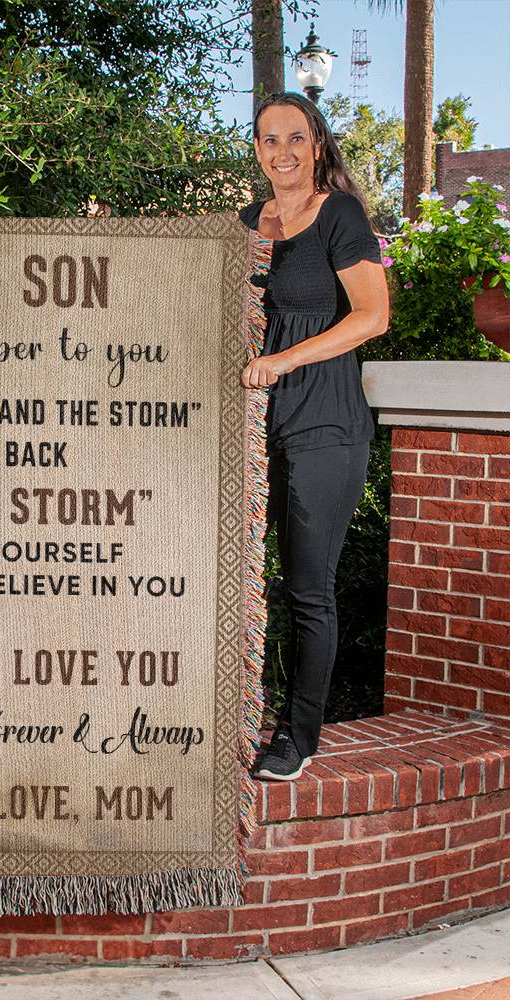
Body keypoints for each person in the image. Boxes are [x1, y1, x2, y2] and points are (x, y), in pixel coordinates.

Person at [239, 92, 389, 781]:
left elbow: (373, 317)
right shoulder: (248, 224)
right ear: (260, 149)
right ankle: (232, 717)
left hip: (324, 427)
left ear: (318, 144)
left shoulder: (339, 215)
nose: (283, 152)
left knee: (307, 590)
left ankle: (296, 739)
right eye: (270, 140)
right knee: (235, 581)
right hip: (250, 431)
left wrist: (284, 360)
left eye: (296, 138)